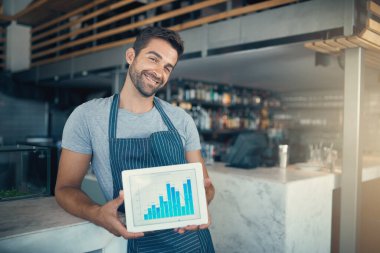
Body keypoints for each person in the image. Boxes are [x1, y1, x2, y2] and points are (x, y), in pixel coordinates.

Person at [55, 26, 216, 253]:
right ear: (131, 56)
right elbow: (65, 188)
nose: (159, 72)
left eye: (167, 67)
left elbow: (205, 187)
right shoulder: (87, 117)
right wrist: (97, 213)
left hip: (191, 243)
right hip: (135, 244)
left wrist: (203, 203)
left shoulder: (181, 119)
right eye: (153, 59)